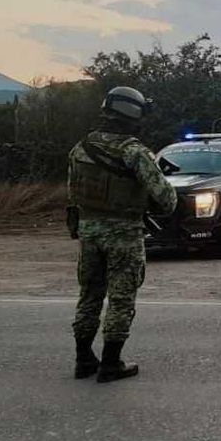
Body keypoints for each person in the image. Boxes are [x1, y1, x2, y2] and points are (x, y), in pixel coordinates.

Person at [68, 86, 177, 383]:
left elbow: (72, 193)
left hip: (89, 231)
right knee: (120, 298)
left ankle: (83, 359)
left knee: (89, 295)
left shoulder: (81, 147)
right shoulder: (134, 151)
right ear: (133, 114)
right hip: (124, 234)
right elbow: (167, 201)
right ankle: (111, 363)